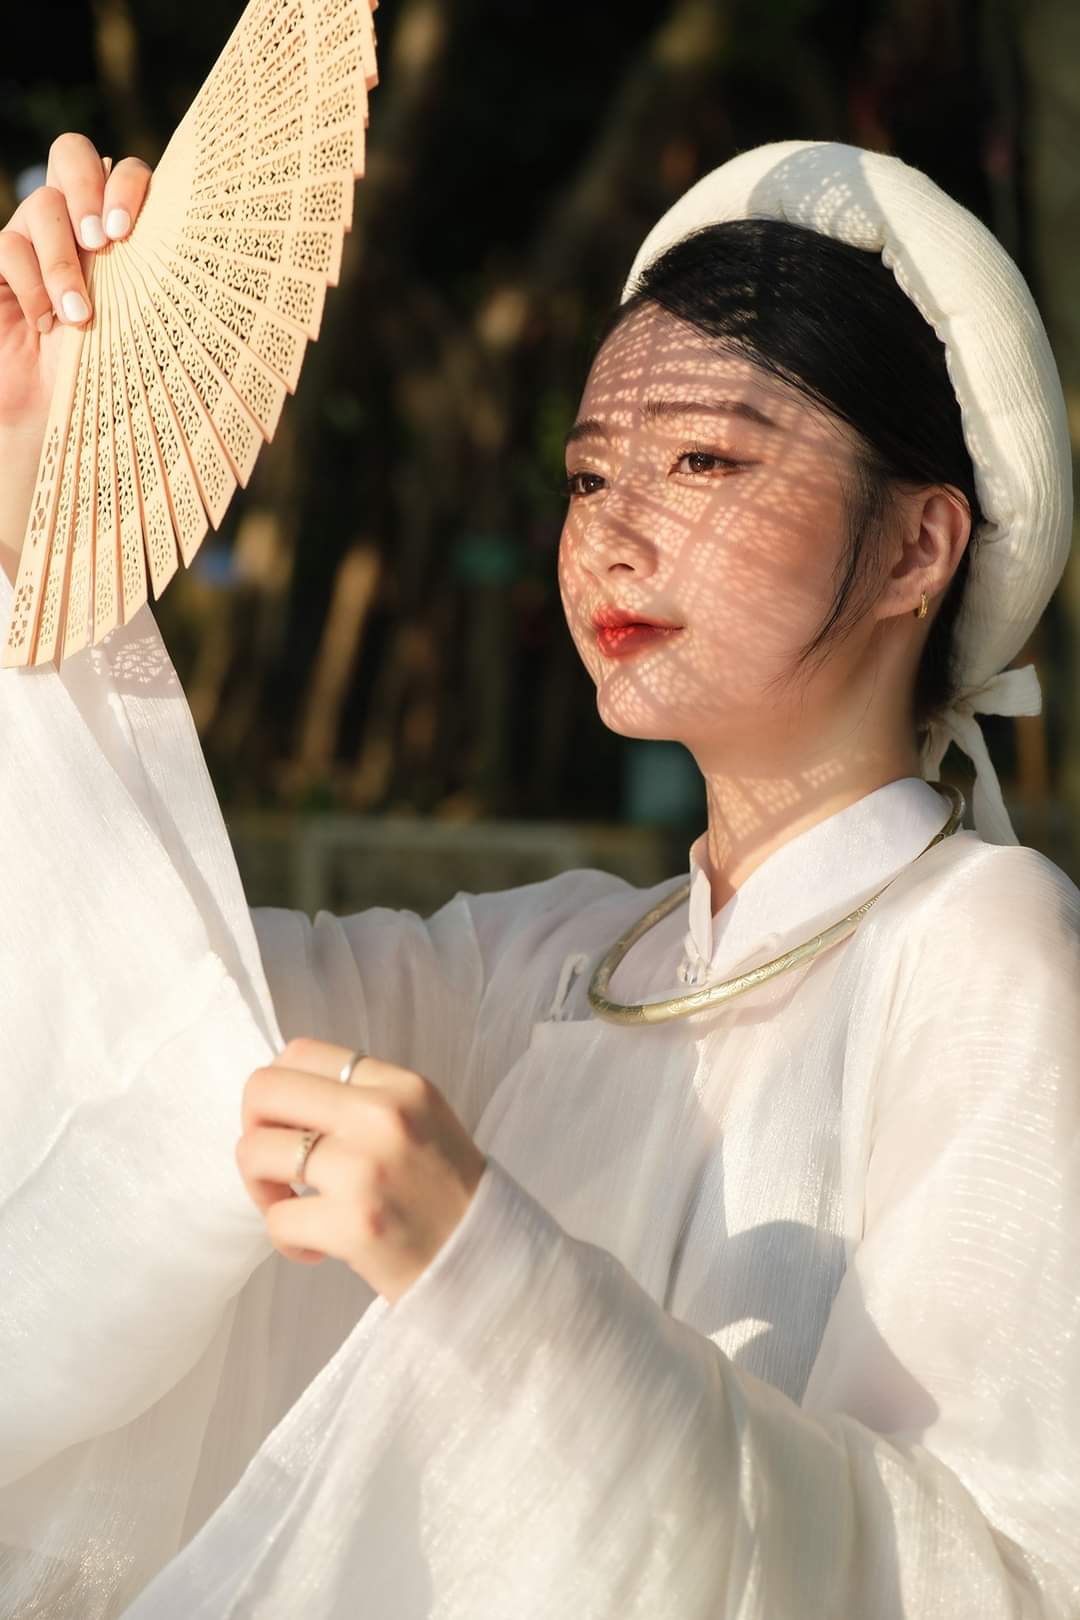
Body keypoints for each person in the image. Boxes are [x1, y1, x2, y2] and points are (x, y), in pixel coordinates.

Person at [0, 131, 1077, 1620]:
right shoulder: (550, 968)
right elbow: (140, 1020)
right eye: (587, 474)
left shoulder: (989, 949)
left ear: (916, 546)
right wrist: (20, 492)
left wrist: (490, 1280)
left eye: (703, 459)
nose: (613, 534)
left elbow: (1003, 1581)